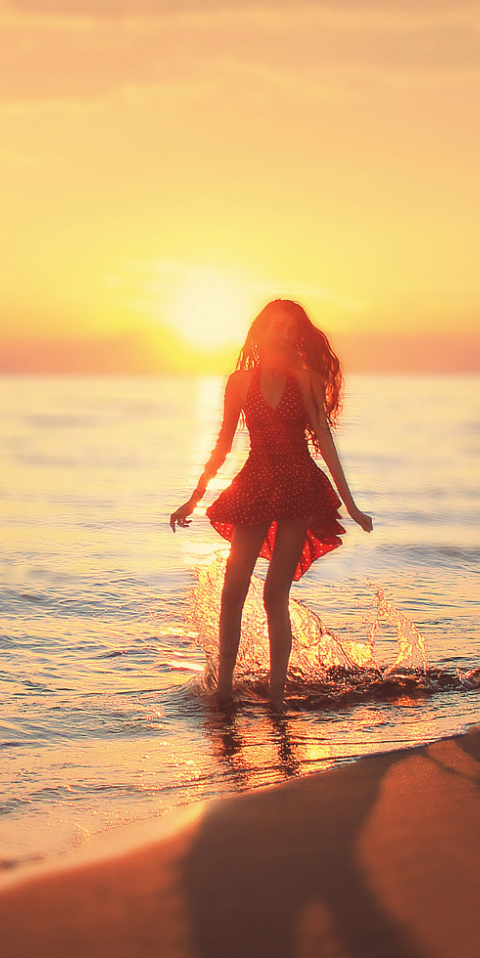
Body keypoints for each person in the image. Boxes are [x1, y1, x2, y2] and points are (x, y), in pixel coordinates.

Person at [170, 299, 372, 708]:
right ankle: (224, 690)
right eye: (276, 326)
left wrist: (351, 505)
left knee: (274, 594)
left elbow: (324, 441)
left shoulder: (307, 380)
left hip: (297, 483)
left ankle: (277, 697)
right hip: (256, 481)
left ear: (297, 335)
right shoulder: (240, 382)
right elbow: (224, 444)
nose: (283, 334)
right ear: (262, 331)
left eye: (290, 328)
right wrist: (194, 498)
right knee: (233, 590)